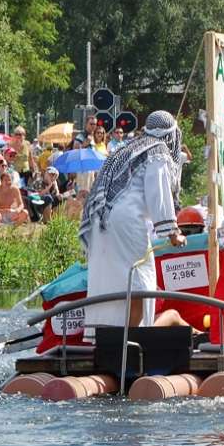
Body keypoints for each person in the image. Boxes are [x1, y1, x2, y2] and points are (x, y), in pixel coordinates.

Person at [79, 110, 188, 327]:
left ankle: (111, 339)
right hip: (124, 221)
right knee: (140, 281)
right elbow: (157, 193)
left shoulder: (129, 148)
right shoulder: (157, 151)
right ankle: (133, 338)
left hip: (100, 221)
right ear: (170, 134)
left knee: (112, 283)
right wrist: (173, 233)